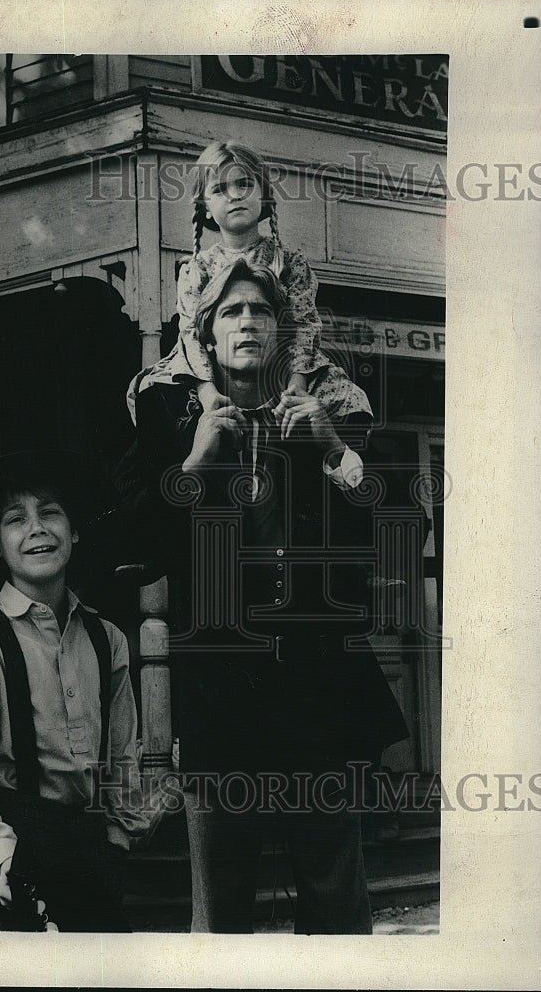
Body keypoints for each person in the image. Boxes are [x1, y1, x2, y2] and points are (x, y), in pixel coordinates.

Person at [115, 261, 412, 934]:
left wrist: (333, 449)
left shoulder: (324, 413)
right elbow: (130, 548)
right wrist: (191, 463)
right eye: (230, 312)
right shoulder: (171, 420)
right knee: (221, 902)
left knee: (334, 894)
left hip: (317, 692)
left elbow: (391, 533)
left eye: (259, 311)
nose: (246, 321)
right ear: (207, 334)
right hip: (220, 693)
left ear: (280, 333)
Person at [0, 451, 148, 932]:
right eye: (16, 519)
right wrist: (1, 855)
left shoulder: (105, 639)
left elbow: (122, 755)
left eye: (50, 512)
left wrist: (116, 837)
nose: (37, 528)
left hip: (85, 852)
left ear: (73, 531)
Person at [126, 140, 372, 429]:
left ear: (264, 196)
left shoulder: (289, 262)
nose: (234, 196)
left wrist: (297, 384)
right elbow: (191, 334)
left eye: (244, 184)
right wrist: (207, 392)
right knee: (149, 391)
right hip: (210, 368)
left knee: (347, 398)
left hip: (284, 365)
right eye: (219, 189)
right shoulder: (198, 268)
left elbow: (303, 327)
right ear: (205, 207)